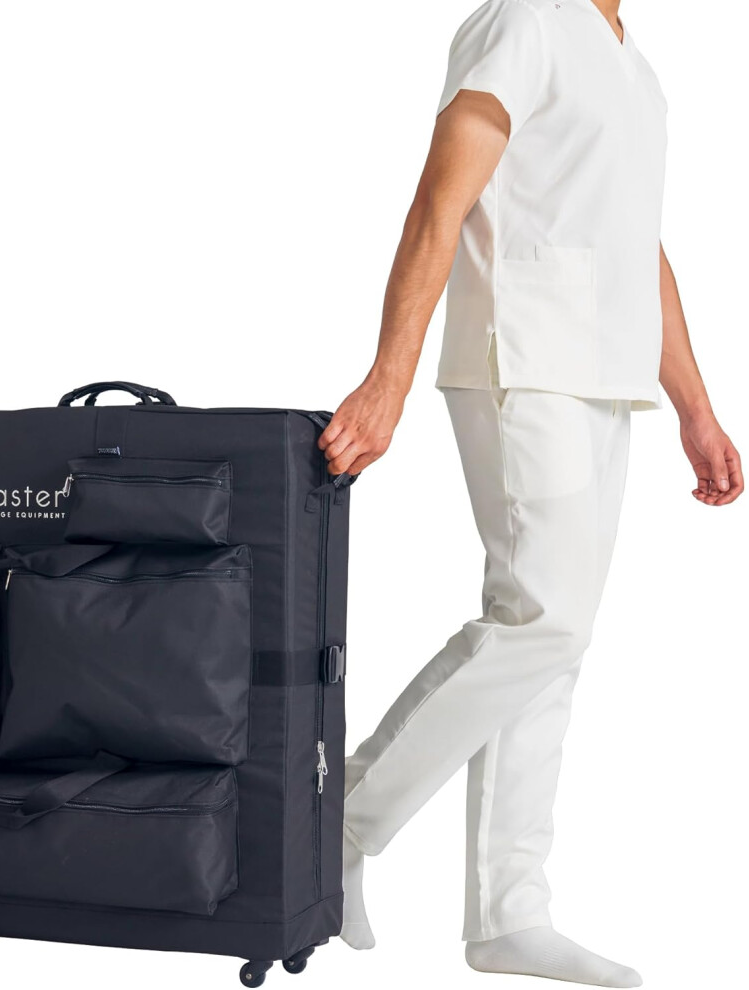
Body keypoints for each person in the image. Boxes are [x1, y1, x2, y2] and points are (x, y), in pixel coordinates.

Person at [317, 0, 744, 986]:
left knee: (551, 646)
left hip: (607, 376)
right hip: (525, 356)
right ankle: (339, 821)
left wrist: (697, 408)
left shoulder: (636, 68)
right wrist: (388, 378)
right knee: (542, 620)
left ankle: (509, 912)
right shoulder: (526, 19)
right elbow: (442, 198)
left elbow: (640, 245)